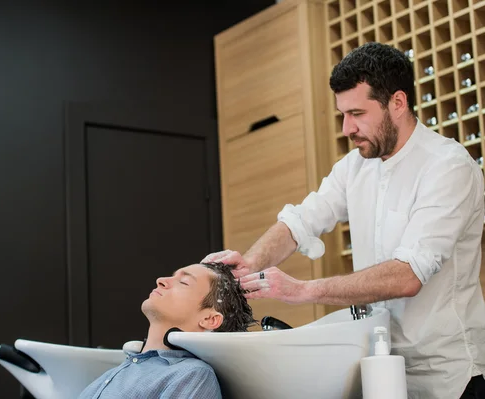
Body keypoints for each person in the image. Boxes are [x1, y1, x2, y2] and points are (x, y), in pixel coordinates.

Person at [203, 42, 485, 399]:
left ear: (398, 103)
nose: (347, 127)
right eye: (342, 114)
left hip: (448, 374)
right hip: (379, 362)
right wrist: (250, 263)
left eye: (357, 113)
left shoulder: (447, 167)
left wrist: (304, 290)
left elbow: (408, 275)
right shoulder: (355, 166)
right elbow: (300, 221)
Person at [77, 262, 256, 399]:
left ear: (209, 319)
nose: (161, 280)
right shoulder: (122, 369)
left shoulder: (192, 376)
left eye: (183, 282)